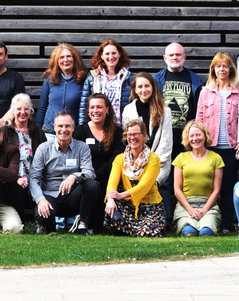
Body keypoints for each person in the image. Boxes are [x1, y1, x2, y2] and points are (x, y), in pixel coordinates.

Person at [196, 52, 239, 233]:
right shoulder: (205, 93)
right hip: (210, 148)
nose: (222, 69)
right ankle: (205, 222)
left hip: (231, 148)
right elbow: (199, 120)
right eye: (218, 66)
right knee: (209, 188)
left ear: (231, 69)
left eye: (225, 66)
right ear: (213, 69)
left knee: (228, 188)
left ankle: (227, 224)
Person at [30, 111, 100, 235]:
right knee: (43, 216)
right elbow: (34, 177)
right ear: (54, 127)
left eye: (67, 126)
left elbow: (89, 172)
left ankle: (83, 226)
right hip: (50, 195)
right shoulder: (43, 148)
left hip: (72, 195)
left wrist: (74, 176)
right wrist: (40, 200)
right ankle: (47, 225)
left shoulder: (82, 147)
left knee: (92, 186)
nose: (64, 130)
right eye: (60, 126)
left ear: (73, 128)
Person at [121, 72, 173, 225]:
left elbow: (166, 142)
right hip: (136, 162)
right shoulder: (128, 110)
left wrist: (152, 164)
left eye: (147, 86)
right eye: (140, 87)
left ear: (153, 87)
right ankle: (138, 222)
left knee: (155, 185)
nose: (144, 90)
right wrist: (140, 163)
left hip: (160, 163)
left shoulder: (165, 111)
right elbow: (128, 140)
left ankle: (164, 222)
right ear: (135, 90)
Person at [104, 119, 165, 237]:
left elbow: (144, 187)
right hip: (128, 206)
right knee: (111, 207)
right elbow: (111, 183)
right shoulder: (120, 159)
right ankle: (134, 231)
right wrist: (110, 199)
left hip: (150, 206)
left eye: (135, 134)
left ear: (144, 135)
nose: (132, 137)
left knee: (145, 233)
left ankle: (135, 231)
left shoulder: (154, 159)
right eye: (129, 134)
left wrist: (121, 195)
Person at [72, 93, 123, 230]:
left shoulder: (117, 133)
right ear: (88, 110)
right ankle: (84, 222)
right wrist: (89, 176)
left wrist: (97, 175)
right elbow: (76, 159)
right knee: (91, 188)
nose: (95, 111)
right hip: (86, 180)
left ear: (107, 109)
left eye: (99, 107)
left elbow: (115, 160)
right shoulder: (79, 132)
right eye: (92, 107)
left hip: (110, 179)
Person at [172, 120, 224, 237]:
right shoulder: (181, 158)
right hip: (186, 205)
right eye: (191, 136)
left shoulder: (216, 158)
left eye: (198, 135)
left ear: (205, 136)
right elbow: (177, 190)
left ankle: (207, 223)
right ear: (187, 138)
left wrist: (204, 210)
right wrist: (190, 210)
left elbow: (216, 191)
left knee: (206, 232)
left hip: (208, 205)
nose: (195, 139)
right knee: (189, 232)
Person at [154, 42, 204, 161]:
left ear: (184, 57)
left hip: (188, 139)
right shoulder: (156, 80)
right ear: (165, 58)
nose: (174, 57)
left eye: (178, 54)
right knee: (164, 177)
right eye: (171, 55)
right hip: (163, 138)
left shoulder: (195, 80)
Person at [1, 93, 47, 196]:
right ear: (13, 111)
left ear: (31, 110)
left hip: (35, 182)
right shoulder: (5, 132)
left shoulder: (39, 133)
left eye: (26, 108)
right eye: (19, 109)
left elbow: (45, 159)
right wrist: (16, 178)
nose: (22, 112)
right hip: (11, 180)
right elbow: (1, 159)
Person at [77, 39, 132, 125]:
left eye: (114, 53)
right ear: (102, 56)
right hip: (98, 128)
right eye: (107, 54)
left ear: (119, 54)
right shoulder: (93, 78)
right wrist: (82, 129)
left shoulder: (128, 78)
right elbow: (84, 107)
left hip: (122, 129)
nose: (111, 57)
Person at [37, 43, 86, 133]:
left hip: (73, 131)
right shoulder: (50, 79)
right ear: (57, 61)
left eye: (68, 56)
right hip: (50, 130)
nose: (65, 60)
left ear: (75, 59)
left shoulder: (84, 80)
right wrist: (38, 131)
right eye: (62, 57)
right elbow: (42, 107)